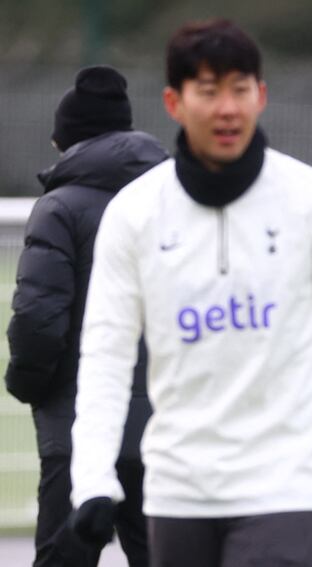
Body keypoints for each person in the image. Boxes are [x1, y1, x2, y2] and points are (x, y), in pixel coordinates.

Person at [67, 19, 312, 567]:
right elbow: (105, 353)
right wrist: (92, 479)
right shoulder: (135, 213)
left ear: (260, 96)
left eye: (240, 90)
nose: (227, 109)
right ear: (174, 101)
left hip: (285, 482)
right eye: (209, 91)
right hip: (176, 484)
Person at [4, 65, 168, 567]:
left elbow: (38, 318)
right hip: (164, 422)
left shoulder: (59, 207)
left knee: (64, 556)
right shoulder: (174, 199)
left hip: (75, 420)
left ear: (67, 140)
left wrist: (27, 384)